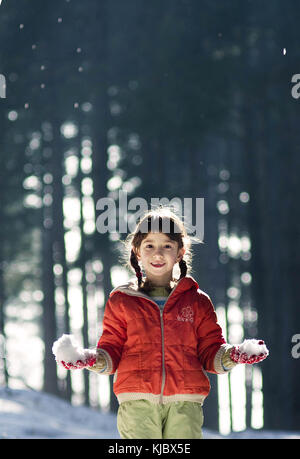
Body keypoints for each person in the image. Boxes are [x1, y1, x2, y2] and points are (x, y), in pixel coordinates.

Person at [53, 206, 269, 439]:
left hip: (186, 404)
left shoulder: (197, 301)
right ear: (137, 251)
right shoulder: (121, 301)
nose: (158, 254)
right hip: (137, 405)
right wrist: (89, 359)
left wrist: (234, 355)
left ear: (180, 252)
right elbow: (111, 352)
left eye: (167, 245)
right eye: (149, 246)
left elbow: (211, 352)